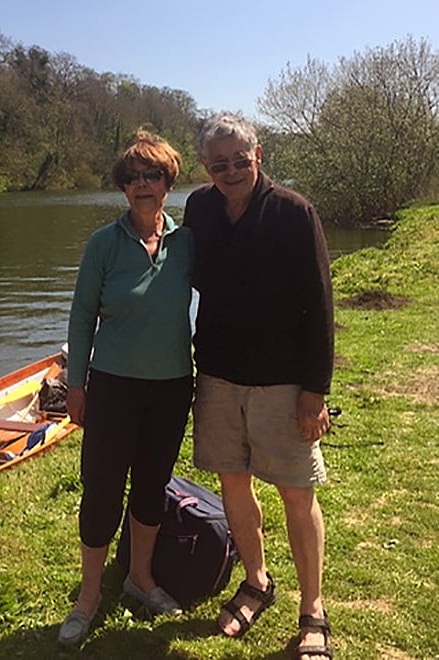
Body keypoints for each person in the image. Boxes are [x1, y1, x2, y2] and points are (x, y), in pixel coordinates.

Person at [183, 113, 334, 660]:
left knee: (297, 494)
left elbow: (319, 303)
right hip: (219, 375)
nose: (229, 170)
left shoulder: (295, 212)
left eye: (239, 160)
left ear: (259, 155)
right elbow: (183, 276)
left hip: (283, 380)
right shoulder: (199, 208)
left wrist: (314, 390)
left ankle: (313, 609)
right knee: (233, 485)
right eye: (218, 163)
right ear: (206, 166)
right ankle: (257, 581)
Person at [58, 132, 194, 647]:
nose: (142, 185)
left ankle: (141, 579)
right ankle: (88, 597)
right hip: (113, 387)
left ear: (168, 183)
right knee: (101, 492)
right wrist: (77, 385)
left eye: (152, 176)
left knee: (152, 488)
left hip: (172, 386)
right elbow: (80, 319)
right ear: (122, 187)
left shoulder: (187, 243)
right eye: (132, 178)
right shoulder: (102, 244)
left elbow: (229, 292)